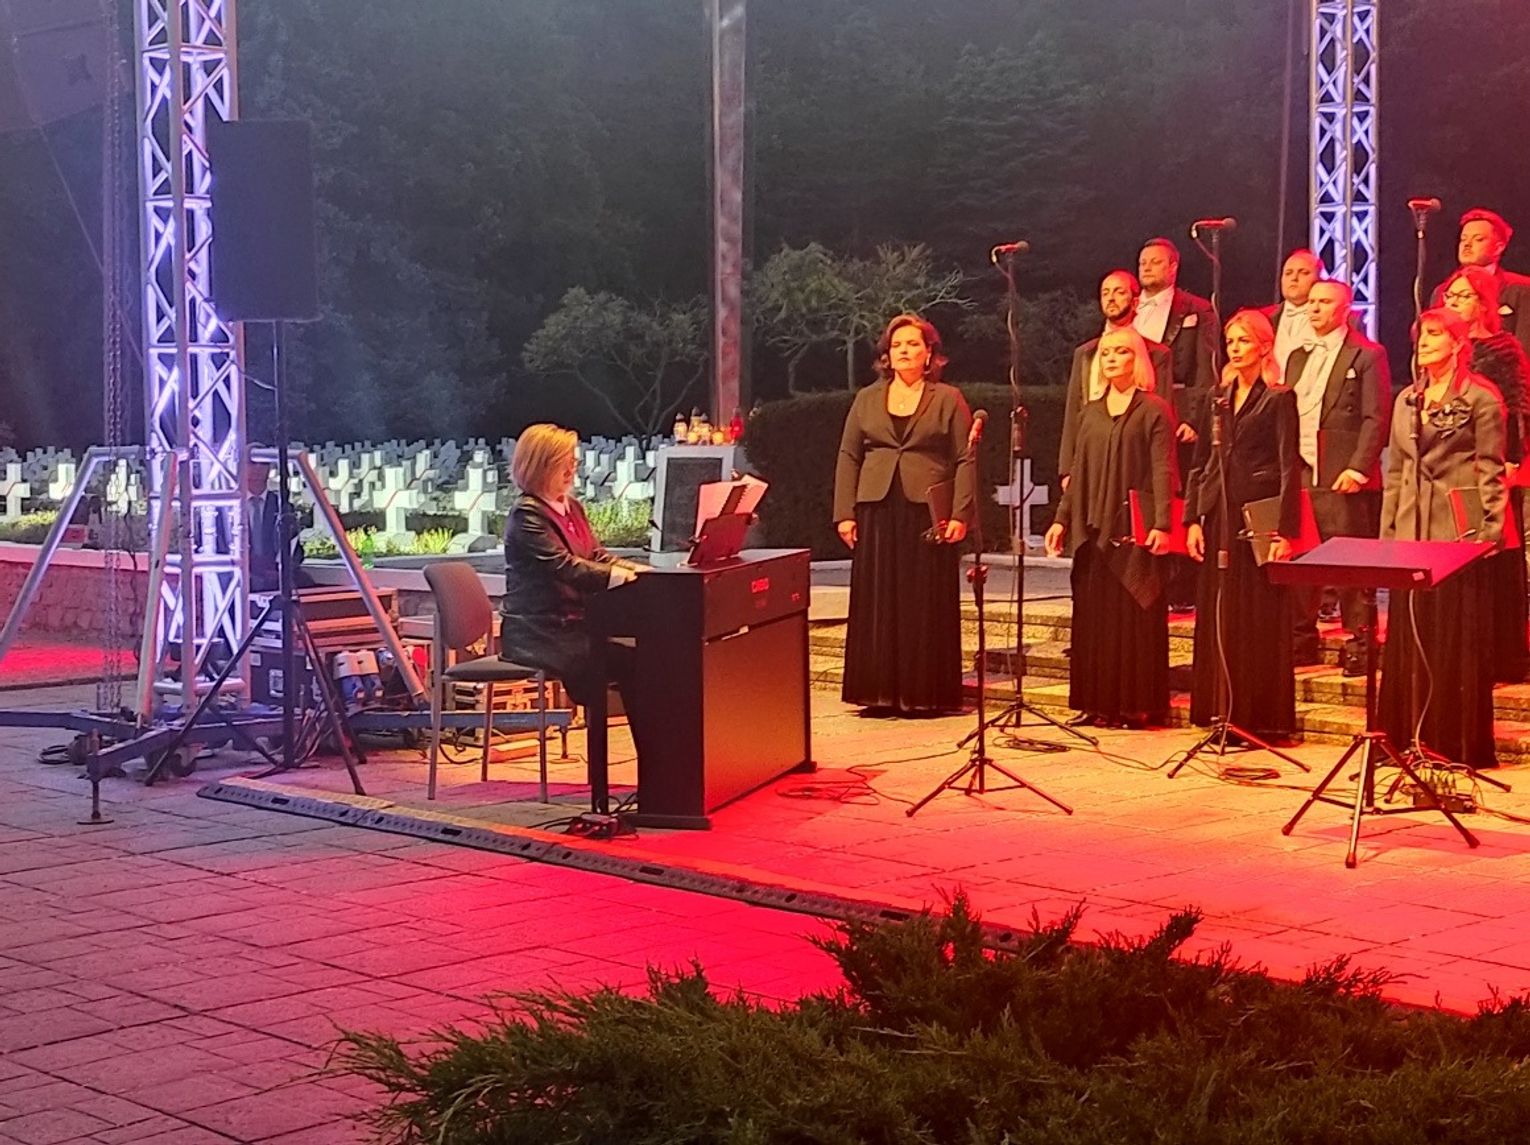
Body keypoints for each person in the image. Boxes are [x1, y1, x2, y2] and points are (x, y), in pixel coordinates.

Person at [1378, 308, 1507, 768]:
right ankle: (1406, 736)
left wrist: (1488, 533)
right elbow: (1397, 472)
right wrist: (1388, 535)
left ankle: (1452, 741)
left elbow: (1490, 469)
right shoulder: (1407, 400)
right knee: (1410, 632)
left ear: (1457, 343)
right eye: (1421, 336)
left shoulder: (1481, 398)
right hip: (1411, 528)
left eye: (1435, 335)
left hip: (1455, 529)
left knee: (1451, 634)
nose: (1425, 342)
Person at [833, 313, 974, 716]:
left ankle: (923, 692)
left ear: (930, 354)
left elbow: (965, 458)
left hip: (925, 510)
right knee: (878, 599)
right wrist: (845, 512)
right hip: (877, 507)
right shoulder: (866, 398)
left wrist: (960, 513)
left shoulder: (948, 398)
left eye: (913, 344)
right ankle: (877, 692)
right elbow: (848, 454)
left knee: (922, 600)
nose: (904, 351)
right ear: (887, 355)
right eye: (897, 345)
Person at [1045, 327, 1177, 728]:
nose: (1112, 359)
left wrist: (1163, 523)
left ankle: (1135, 704)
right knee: (1095, 618)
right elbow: (1079, 472)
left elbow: (1163, 469)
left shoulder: (1154, 409)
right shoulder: (1091, 412)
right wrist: (1061, 520)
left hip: (1133, 529)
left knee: (1133, 613)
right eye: (1106, 353)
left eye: (1121, 352)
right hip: (1093, 531)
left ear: (1137, 359)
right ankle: (1097, 702)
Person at [1184, 309, 1300, 740]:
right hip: (1219, 513)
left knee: (1256, 614)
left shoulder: (1278, 398)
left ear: (1264, 346)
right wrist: (1193, 518)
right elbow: (1200, 462)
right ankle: (1219, 711)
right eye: (1231, 341)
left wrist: (1284, 530)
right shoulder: (1217, 397)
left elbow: (1288, 465)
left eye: (1244, 340)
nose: (1234, 348)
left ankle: (1258, 716)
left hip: (1257, 514)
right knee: (1220, 611)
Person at [1282, 279, 1390, 667]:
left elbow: (1375, 416)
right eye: (1311, 302)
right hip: (1301, 469)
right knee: (1301, 557)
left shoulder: (1367, 354)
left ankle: (1361, 644)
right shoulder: (1297, 356)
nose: (1314, 308)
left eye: (1324, 302)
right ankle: (1300, 641)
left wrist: (1358, 468)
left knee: (1350, 562)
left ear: (1345, 309)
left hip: (1342, 471)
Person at [500, 423, 643, 710]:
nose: (571, 470)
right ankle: (648, 738)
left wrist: (640, 572)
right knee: (632, 662)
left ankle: (658, 738)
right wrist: (621, 576)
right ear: (539, 466)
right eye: (562, 463)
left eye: (573, 462)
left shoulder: (573, 507)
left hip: (575, 626)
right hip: (540, 633)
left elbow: (597, 555)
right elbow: (565, 567)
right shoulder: (527, 514)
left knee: (647, 657)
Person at [1440, 265, 1530, 683]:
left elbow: (1517, 406)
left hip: (1491, 465)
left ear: (1483, 303)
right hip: (1450, 468)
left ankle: (1500, 654)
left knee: (1495, 555)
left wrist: (1510, 459)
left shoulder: (1503, 348)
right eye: (1450, 296)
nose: (1454, 302)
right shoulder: (1442, 347)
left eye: (1463, 296)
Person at [1136, 237, 1215, 611]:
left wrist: (1194, 418)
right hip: (1136, 416)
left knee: (1179, 495)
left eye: (1155, 262)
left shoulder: (1196, 310)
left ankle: (1182, 587)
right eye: (1142, 262)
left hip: (1177, 416)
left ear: (1173, 267)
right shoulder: (1129, 308)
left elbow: (1205, 369)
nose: (1146, 268)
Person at [1058, 270, 1173, 489]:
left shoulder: (1157, 354)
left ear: (1136, 301)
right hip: (1091, 455)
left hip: (1134, 461)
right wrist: (1067, 468)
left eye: (1119, 292)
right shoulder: (1085, 353)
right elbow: (1073, 411)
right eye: (1105, 293)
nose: (1111, 298)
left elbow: (1162, 418)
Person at [1433, 208, 1530, 358]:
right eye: (1463, 239)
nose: (1467, 244)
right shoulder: (1441, 291)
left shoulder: (1521, 289)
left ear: (1499, 247)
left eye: (1478, 239)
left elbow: (1525, 352)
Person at [1264, 249, 1325, 377]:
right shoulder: (1263, 318)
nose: (1294, 278)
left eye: (1304, 273)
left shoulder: (1340, 318)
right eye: (1288, 273)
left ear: (1320, 279)